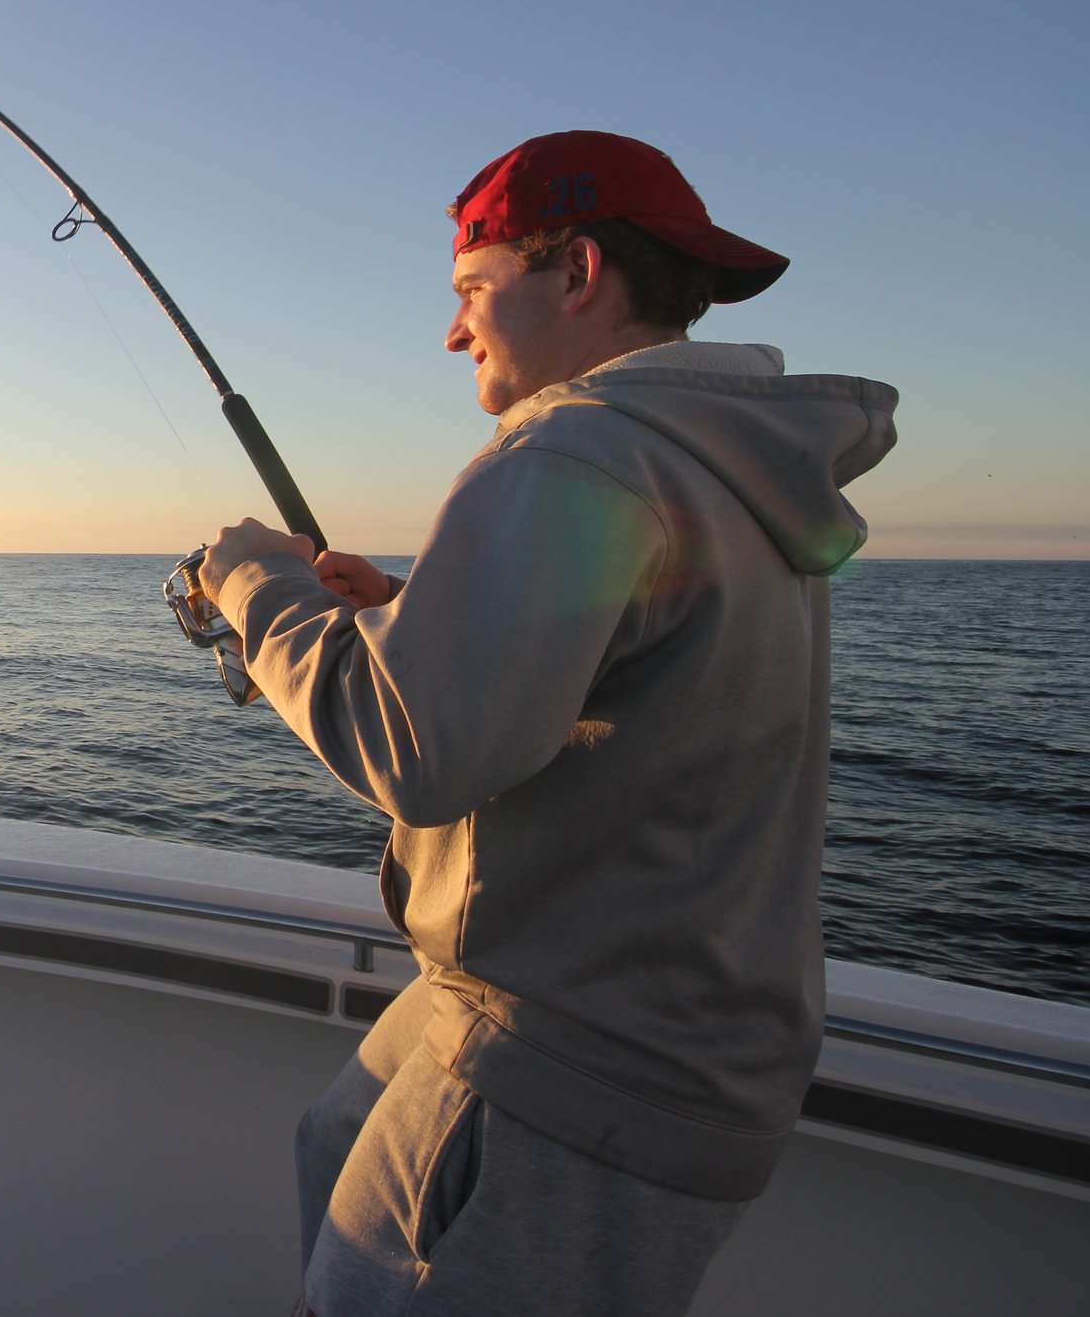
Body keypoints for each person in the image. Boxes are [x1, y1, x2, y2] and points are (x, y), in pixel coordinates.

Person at [197, 130, 898, 1316]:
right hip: (647, 1026)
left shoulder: (572, 447)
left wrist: (251, 584)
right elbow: (632, 666)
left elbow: (417, 751)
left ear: (573, 272)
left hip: (568, 1063)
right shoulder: (721, 462)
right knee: (333, 1142)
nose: (453, 331)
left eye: (471, 290)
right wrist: (418, 617)